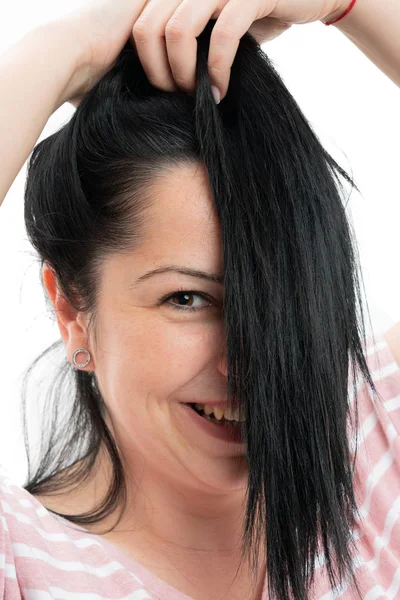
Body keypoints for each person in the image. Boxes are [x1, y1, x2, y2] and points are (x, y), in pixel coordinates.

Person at [0, 1, 399, 599]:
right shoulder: (22, 561)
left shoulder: (373, 452)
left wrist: (353, 5)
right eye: (186, 298)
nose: (247, 362)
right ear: (71, 310)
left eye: (281, 290)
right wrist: (55, 54)